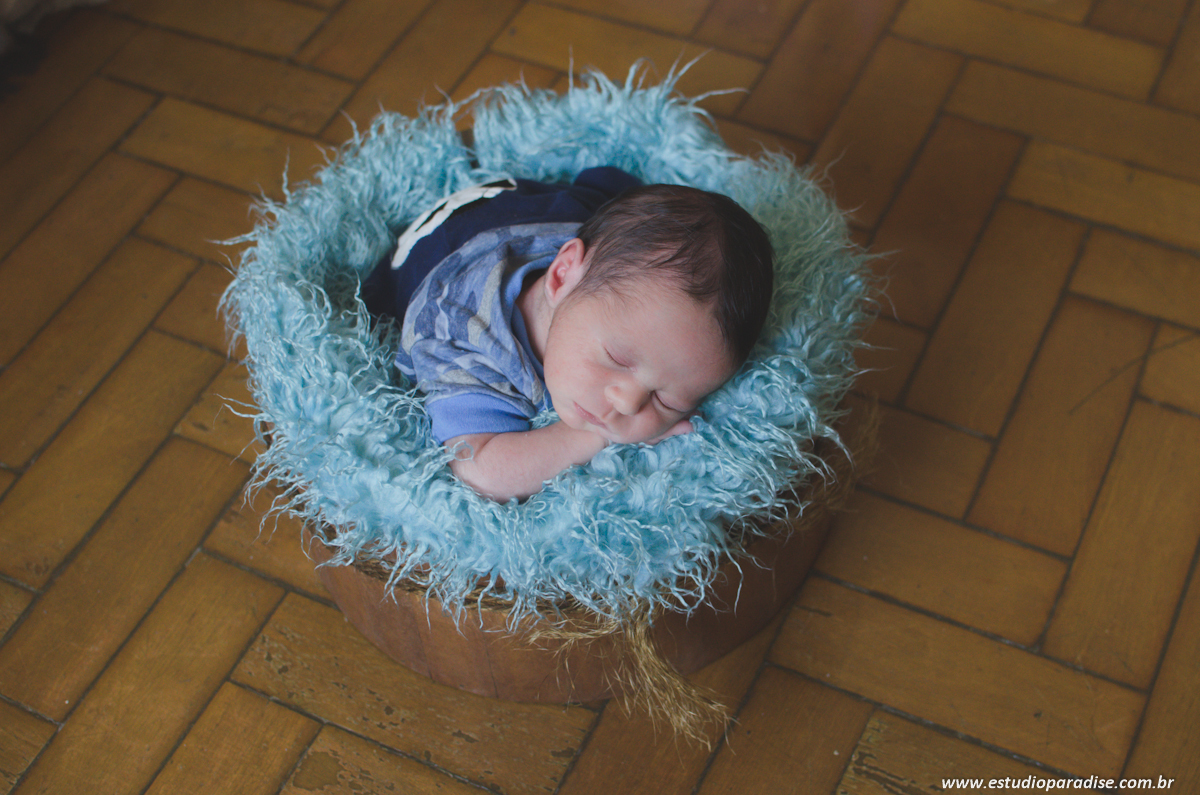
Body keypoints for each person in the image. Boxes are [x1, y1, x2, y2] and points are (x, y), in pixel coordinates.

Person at [362, 167, 774, 501]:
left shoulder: (600, 290)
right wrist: (592, 437)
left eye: (668, 400)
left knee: (621, 224)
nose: (628, 404)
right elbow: (480, 469)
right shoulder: (465, 339)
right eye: (617, 358)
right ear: (561, 277)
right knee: (377, 304)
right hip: (438, 250)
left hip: (549, 223)